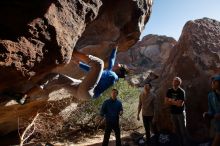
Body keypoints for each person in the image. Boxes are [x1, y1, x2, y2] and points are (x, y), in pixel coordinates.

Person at [17, 47, 128, 104]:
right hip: (82, 91)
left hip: (88, 92)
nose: (118, 63)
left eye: (120, 65)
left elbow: (95, 68)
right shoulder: (111, 73)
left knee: (99, 63)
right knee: (55, 77)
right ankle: (25, 96)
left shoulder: (113, 76)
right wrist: (115, 48)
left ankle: (71, 50)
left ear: (120, 70)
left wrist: (79, 62)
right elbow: (111, 60)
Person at [164, 77, 188, 146]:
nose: (174, 82)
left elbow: (180, 104)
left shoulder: (181, 91)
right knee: (176, 130)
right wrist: (175, 102)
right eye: (174, 81)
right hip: (173, 113)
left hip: (180, 113)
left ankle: (185, 144)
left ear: (179, 83)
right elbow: (165, 102)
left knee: (183, 130)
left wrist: (170, 100)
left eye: (176, 81)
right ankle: (179, 143)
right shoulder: (169, 91)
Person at [203, 75, 220, 146]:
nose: (212, 83)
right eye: (212, 82)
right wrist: (208, 114)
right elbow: (211, 109)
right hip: (217, 123)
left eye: (215, 82)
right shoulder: (210, 96)